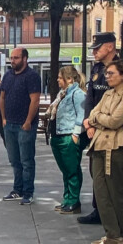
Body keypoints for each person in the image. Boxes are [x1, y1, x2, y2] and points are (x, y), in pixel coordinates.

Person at [84, 59, 123, 244]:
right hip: (100, 146)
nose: (107, 76)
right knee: (101, 192)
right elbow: (93, 113)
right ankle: (111, 234)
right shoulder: (108, 93)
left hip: (118, 149)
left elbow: (115, 121)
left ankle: (117, 237)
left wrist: (99, 119)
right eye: (106, 73)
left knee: (116, 192)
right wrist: (101, 119)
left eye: (111, 73)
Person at [79, 33, 122, 226]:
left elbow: (118, 102)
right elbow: (90, 96)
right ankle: (99, 210)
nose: (94, 51)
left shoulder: (122, 68)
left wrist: (97, 124)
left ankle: (119, 217)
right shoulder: (96, 68)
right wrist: (87, 122)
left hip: (111, 130)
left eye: (98, 47)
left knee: (112, 175)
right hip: (94, 128)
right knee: (96, 172)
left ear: (110, 46)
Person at [0, 47, 42, 205]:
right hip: (9, 124)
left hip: (25, 126)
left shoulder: (32, 76)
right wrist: (3, 118)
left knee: (26, 160)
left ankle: (28, 192)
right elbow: (2, 97)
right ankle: (17, 189)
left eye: (16, 58)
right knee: (14, 160)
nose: (13, 60)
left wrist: (28, 121)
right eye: (11, 58)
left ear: (25, 59)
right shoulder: (7, 75)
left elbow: (35, 100)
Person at [49, 65, 87, 214]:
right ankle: (67, 199)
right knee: (66, 170)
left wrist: (75, 134)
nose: (58, 80)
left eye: (60, 77)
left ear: (69, 79)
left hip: (68, 136)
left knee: (72, 170)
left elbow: (82, 114)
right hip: (58, 135)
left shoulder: (77, 94)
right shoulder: (63, 94)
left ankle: (73, 201)